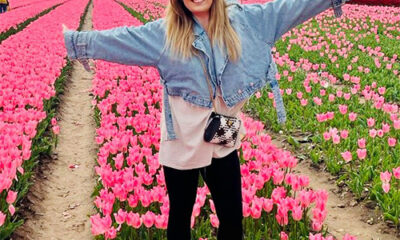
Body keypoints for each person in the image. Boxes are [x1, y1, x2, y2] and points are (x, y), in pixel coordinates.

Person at [62, 0, 347, 239]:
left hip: (222, 137)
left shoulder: (248, 23)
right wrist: (79, 42)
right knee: (180, 218)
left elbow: (290, 7)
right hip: (182, 142)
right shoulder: (165, 34)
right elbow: (122, 39)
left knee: (233, 221)